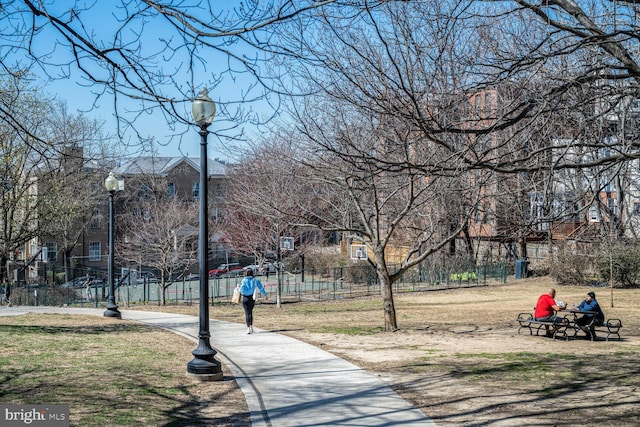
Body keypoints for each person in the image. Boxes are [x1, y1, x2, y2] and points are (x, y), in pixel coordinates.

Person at [238, 269, 268, 334]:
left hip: (245, 298)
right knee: (250, 313)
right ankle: (251, 327)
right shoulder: (255, 280)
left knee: (247, 313)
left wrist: (239, 289)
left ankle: (248, 328)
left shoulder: (244, 280)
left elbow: (241, 289)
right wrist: (265, 295)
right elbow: (261, 288)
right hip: (252, 297)